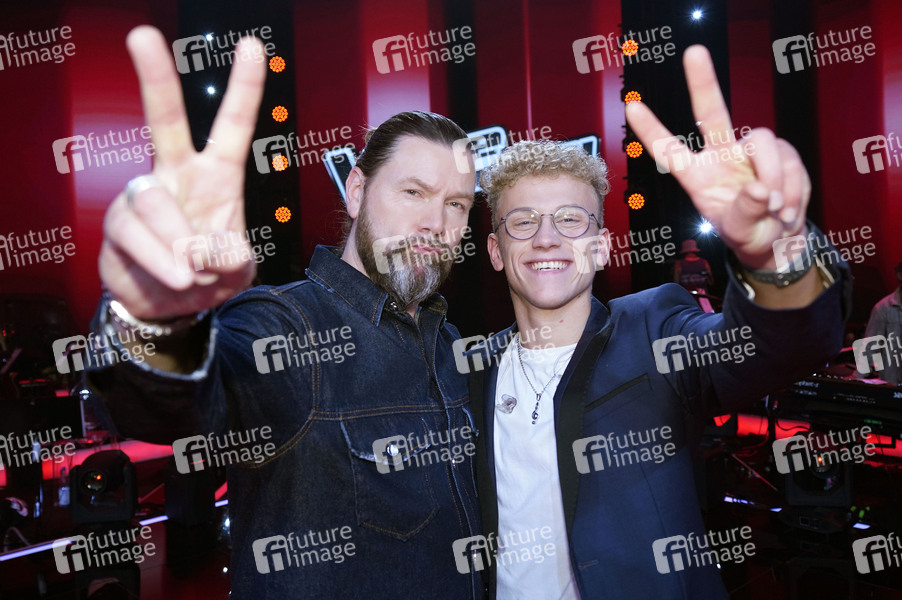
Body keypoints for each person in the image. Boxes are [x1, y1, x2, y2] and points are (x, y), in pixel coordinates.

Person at [85, 26, 484, 599]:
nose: (435, 223)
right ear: (356, 191)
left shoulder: (449, 345)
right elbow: (167, 408)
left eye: (457, 204)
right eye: (414, 192)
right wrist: (156, 315)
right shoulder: (288, 327)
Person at [464, 45, 850, 599]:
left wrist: (774, 254)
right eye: (522, 222)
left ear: (602, 248)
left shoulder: (654, 329)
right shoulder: (468, 369)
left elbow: (781, 345)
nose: (546, 238)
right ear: (495, 251)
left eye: (570, 220)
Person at [856, 261, 902, 384]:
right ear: (899, 275)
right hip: (893, 385)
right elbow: (869, 348)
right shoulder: (883, 308)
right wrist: (855, 380)